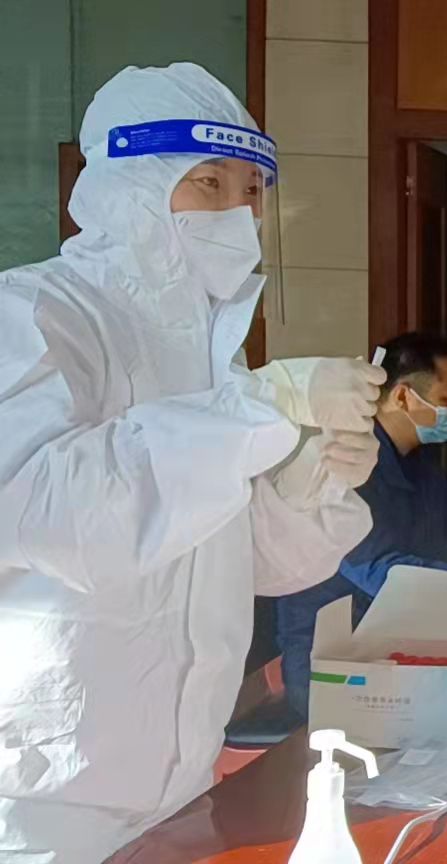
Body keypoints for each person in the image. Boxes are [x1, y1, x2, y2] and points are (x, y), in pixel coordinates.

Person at [0, 63, 382, 860]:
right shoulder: (33, 314)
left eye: (252, 191)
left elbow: (242, 562)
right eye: (209, 183)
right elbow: (48, 512)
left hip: (180, 783)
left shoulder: (211, 359)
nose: (237, 213)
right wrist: (265, 405)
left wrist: (302, 487)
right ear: (131, 187)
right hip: (39, 800)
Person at [275, 332, 447, 721]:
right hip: (336, 662)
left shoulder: (415, 464)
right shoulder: (345, 465)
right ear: (404, 397)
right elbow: (385, 576)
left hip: (396, 632)